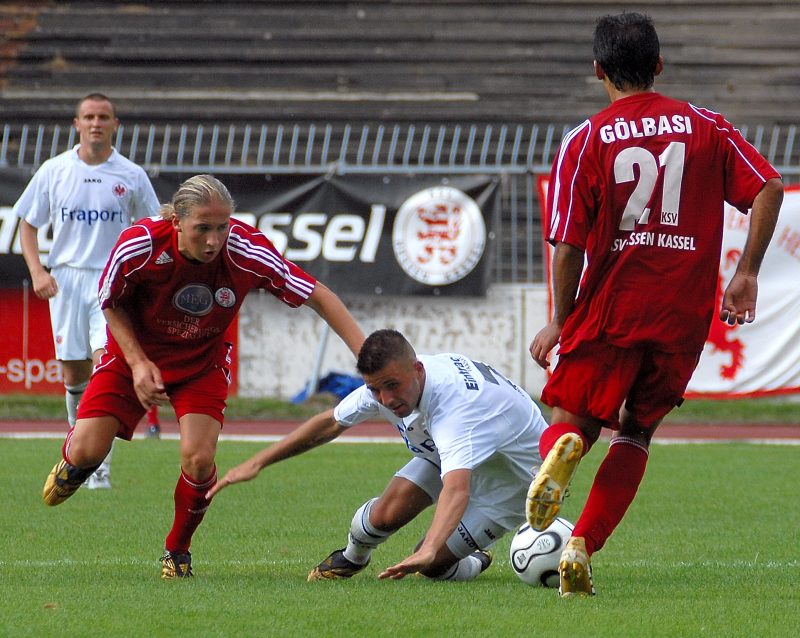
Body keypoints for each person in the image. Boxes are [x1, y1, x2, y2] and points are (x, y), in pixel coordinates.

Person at [526, 13, 783, 597]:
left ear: (598, 70)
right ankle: (582, 544)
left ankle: (564, 454)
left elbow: (567, 245)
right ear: (660, 65)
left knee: (570, 420)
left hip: (612, 306)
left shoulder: (585, 139)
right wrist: (745, 273)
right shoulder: (705, 126)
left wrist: (560, 318)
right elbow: (767, 186)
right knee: (637, 433)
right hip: (681, 316)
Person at [41, 174, 365, 580]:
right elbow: (109, 303)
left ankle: (177, 551)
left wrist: (365, 356)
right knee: (89, 452)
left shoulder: (247, 250)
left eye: (223, 227)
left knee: (199, 459)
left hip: (202, 362)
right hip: (132, 358)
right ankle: (74, 459)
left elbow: (318, 295)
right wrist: (139, 363)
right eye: (203, 229)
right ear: (177, 222)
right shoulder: (140, 243)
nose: (215, 240)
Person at [208, 329, 549, 582]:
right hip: (451, 454)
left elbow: (457, 489)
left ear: (416, 370)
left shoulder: (456, 410)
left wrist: (430, 547)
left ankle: (475, 559)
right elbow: (329, 423)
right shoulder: (392, 380)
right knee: (383, 516)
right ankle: (352, 558)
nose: (385, 400)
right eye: (375, 389)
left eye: (391, 387)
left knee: (430, 565)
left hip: (514, 481)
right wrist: (258, 461)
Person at [15, 92, 160, 490]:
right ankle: (78, 455)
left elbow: (152, 227)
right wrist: (37, 270)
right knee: (74, 373)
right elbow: (27, 223)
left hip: (111, 280)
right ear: (76, 124)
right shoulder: (54, 170)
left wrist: (144, 277)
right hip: (66, 279)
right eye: (89, 116)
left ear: (115, 124)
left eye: (104, 117)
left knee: (106, 369)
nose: (96, 123)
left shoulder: (130, 174)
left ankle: (99, 470)